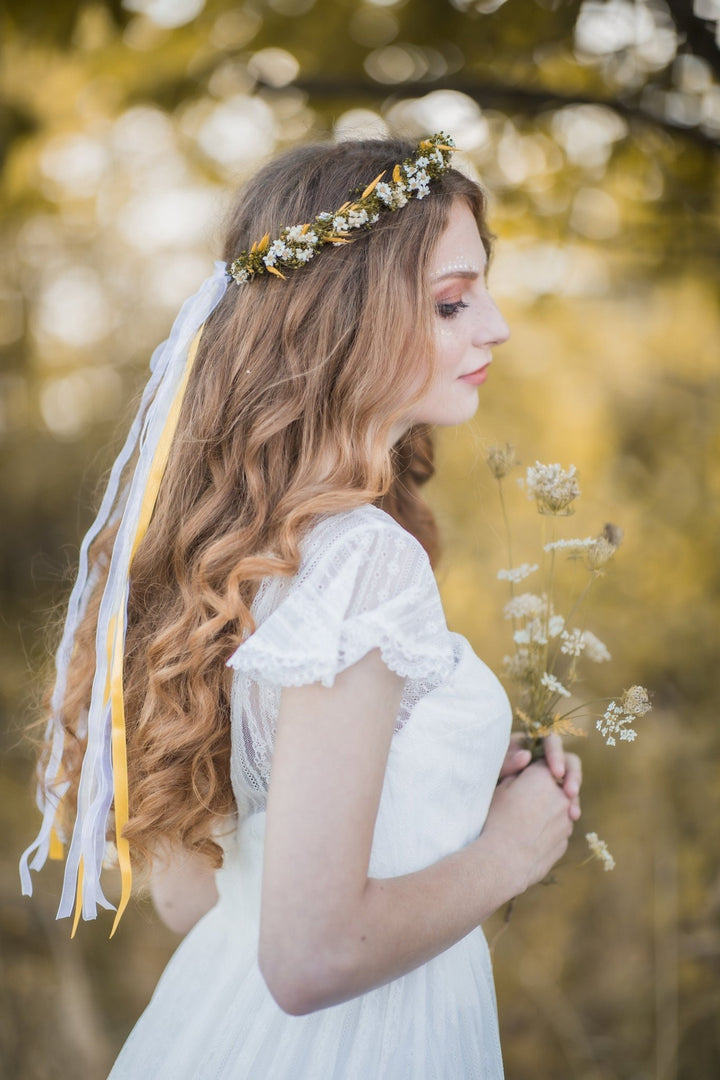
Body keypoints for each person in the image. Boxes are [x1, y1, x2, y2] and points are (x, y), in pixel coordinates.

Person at [21, 134, 582, 1078]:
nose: (495, 327)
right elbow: (310, 957)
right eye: (452, 302)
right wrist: (514, 850)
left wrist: (433, 800)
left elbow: (197, 901)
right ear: (345, 323)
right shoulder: (363, 561)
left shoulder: (226, 557)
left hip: (211, 1030)